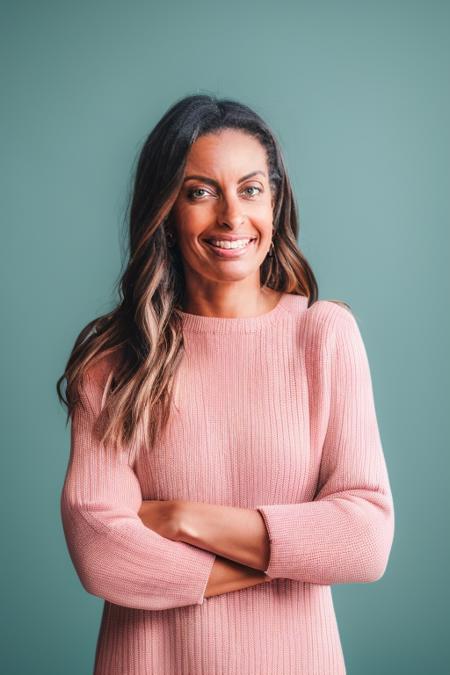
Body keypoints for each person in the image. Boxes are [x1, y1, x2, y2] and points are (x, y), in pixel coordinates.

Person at [57, 94, 395, 675]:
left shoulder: (324, 336)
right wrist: (296, 554)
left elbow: (364, 539)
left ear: (275, 201)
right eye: (201, 192)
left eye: (251, 188)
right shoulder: (114, 361)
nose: (232, 218)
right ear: (165, 209)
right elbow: (102, 554)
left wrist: (183, 519)